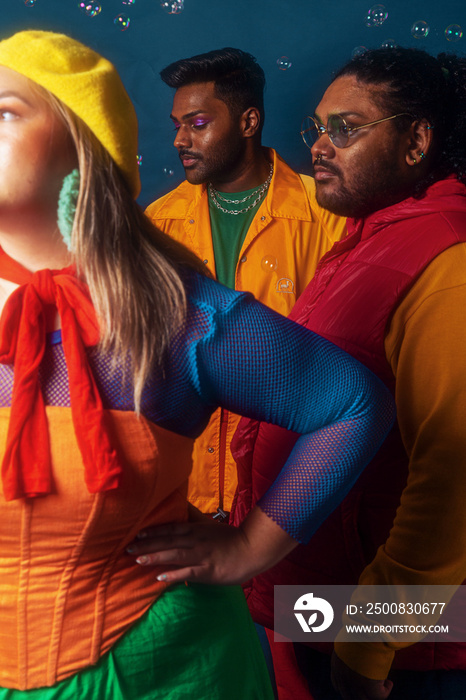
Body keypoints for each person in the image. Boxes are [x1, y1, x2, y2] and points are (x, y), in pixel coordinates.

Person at [0, 30, 394, 699]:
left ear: (82, 147)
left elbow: (351, 397)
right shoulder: (167, 213)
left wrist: (251, 548)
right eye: (177, 124)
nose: (183, 138)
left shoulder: (203, 294)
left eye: (5, 110)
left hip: (171, 654)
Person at [224, 47, 466, 700]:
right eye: (317, 128)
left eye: (347, 128)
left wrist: (369, 641)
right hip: (318, 612)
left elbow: (453, 482)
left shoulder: (449, 261)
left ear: (417, 140)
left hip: (399, 656)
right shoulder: (365, 241)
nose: (320, 146)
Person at [145, 47, 347, 518]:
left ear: (248, 122)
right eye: (177, 125)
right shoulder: (158, 223)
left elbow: (344, 358)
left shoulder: (324, 216)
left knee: (293, 598)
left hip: (288, 491)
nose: (179, 140)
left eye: (196, 124)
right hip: (182, 495)